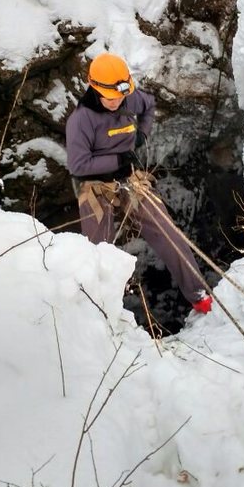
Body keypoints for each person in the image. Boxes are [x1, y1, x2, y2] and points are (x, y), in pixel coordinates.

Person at [65, 52, 213, 314]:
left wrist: (141, 135)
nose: (117, 102)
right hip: (95, 187)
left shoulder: (129, 97)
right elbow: (78, 165)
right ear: (95, 89)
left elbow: (149, 105)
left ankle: (199, 295)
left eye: (121, 96)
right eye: (111, 98)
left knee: (167, 232)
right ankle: (95, 310)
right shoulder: (81, 120)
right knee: (98, 252)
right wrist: (117, 159)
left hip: (130, 180)